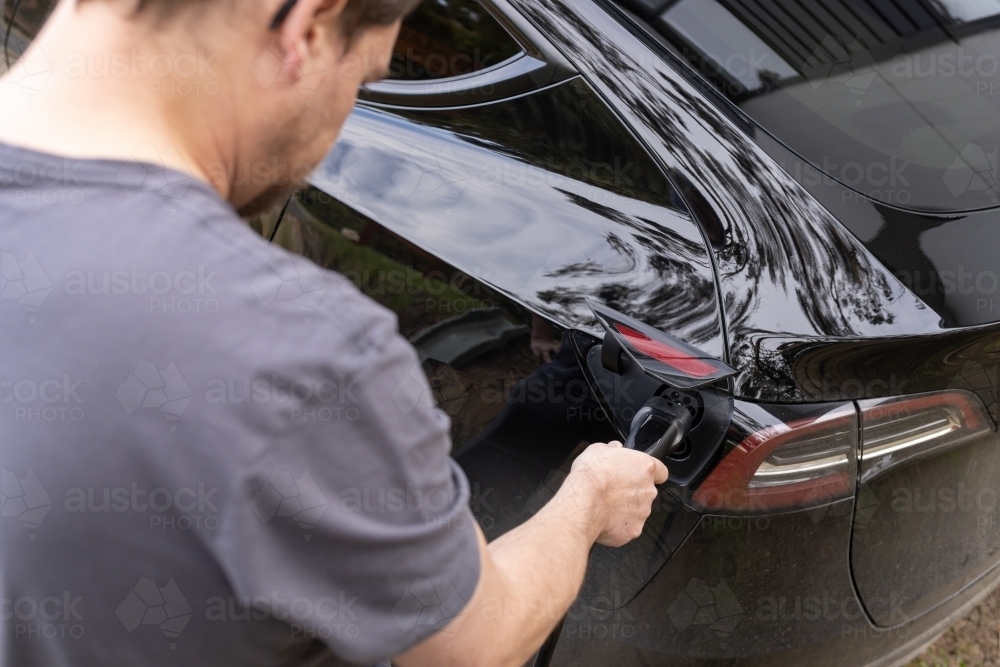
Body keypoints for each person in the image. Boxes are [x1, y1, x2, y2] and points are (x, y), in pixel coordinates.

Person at [0, 1, 668, 666]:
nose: (348, 113)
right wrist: (589, 499)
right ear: (306, 26)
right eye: (364, 80)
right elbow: (474, 644)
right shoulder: (296, 351)